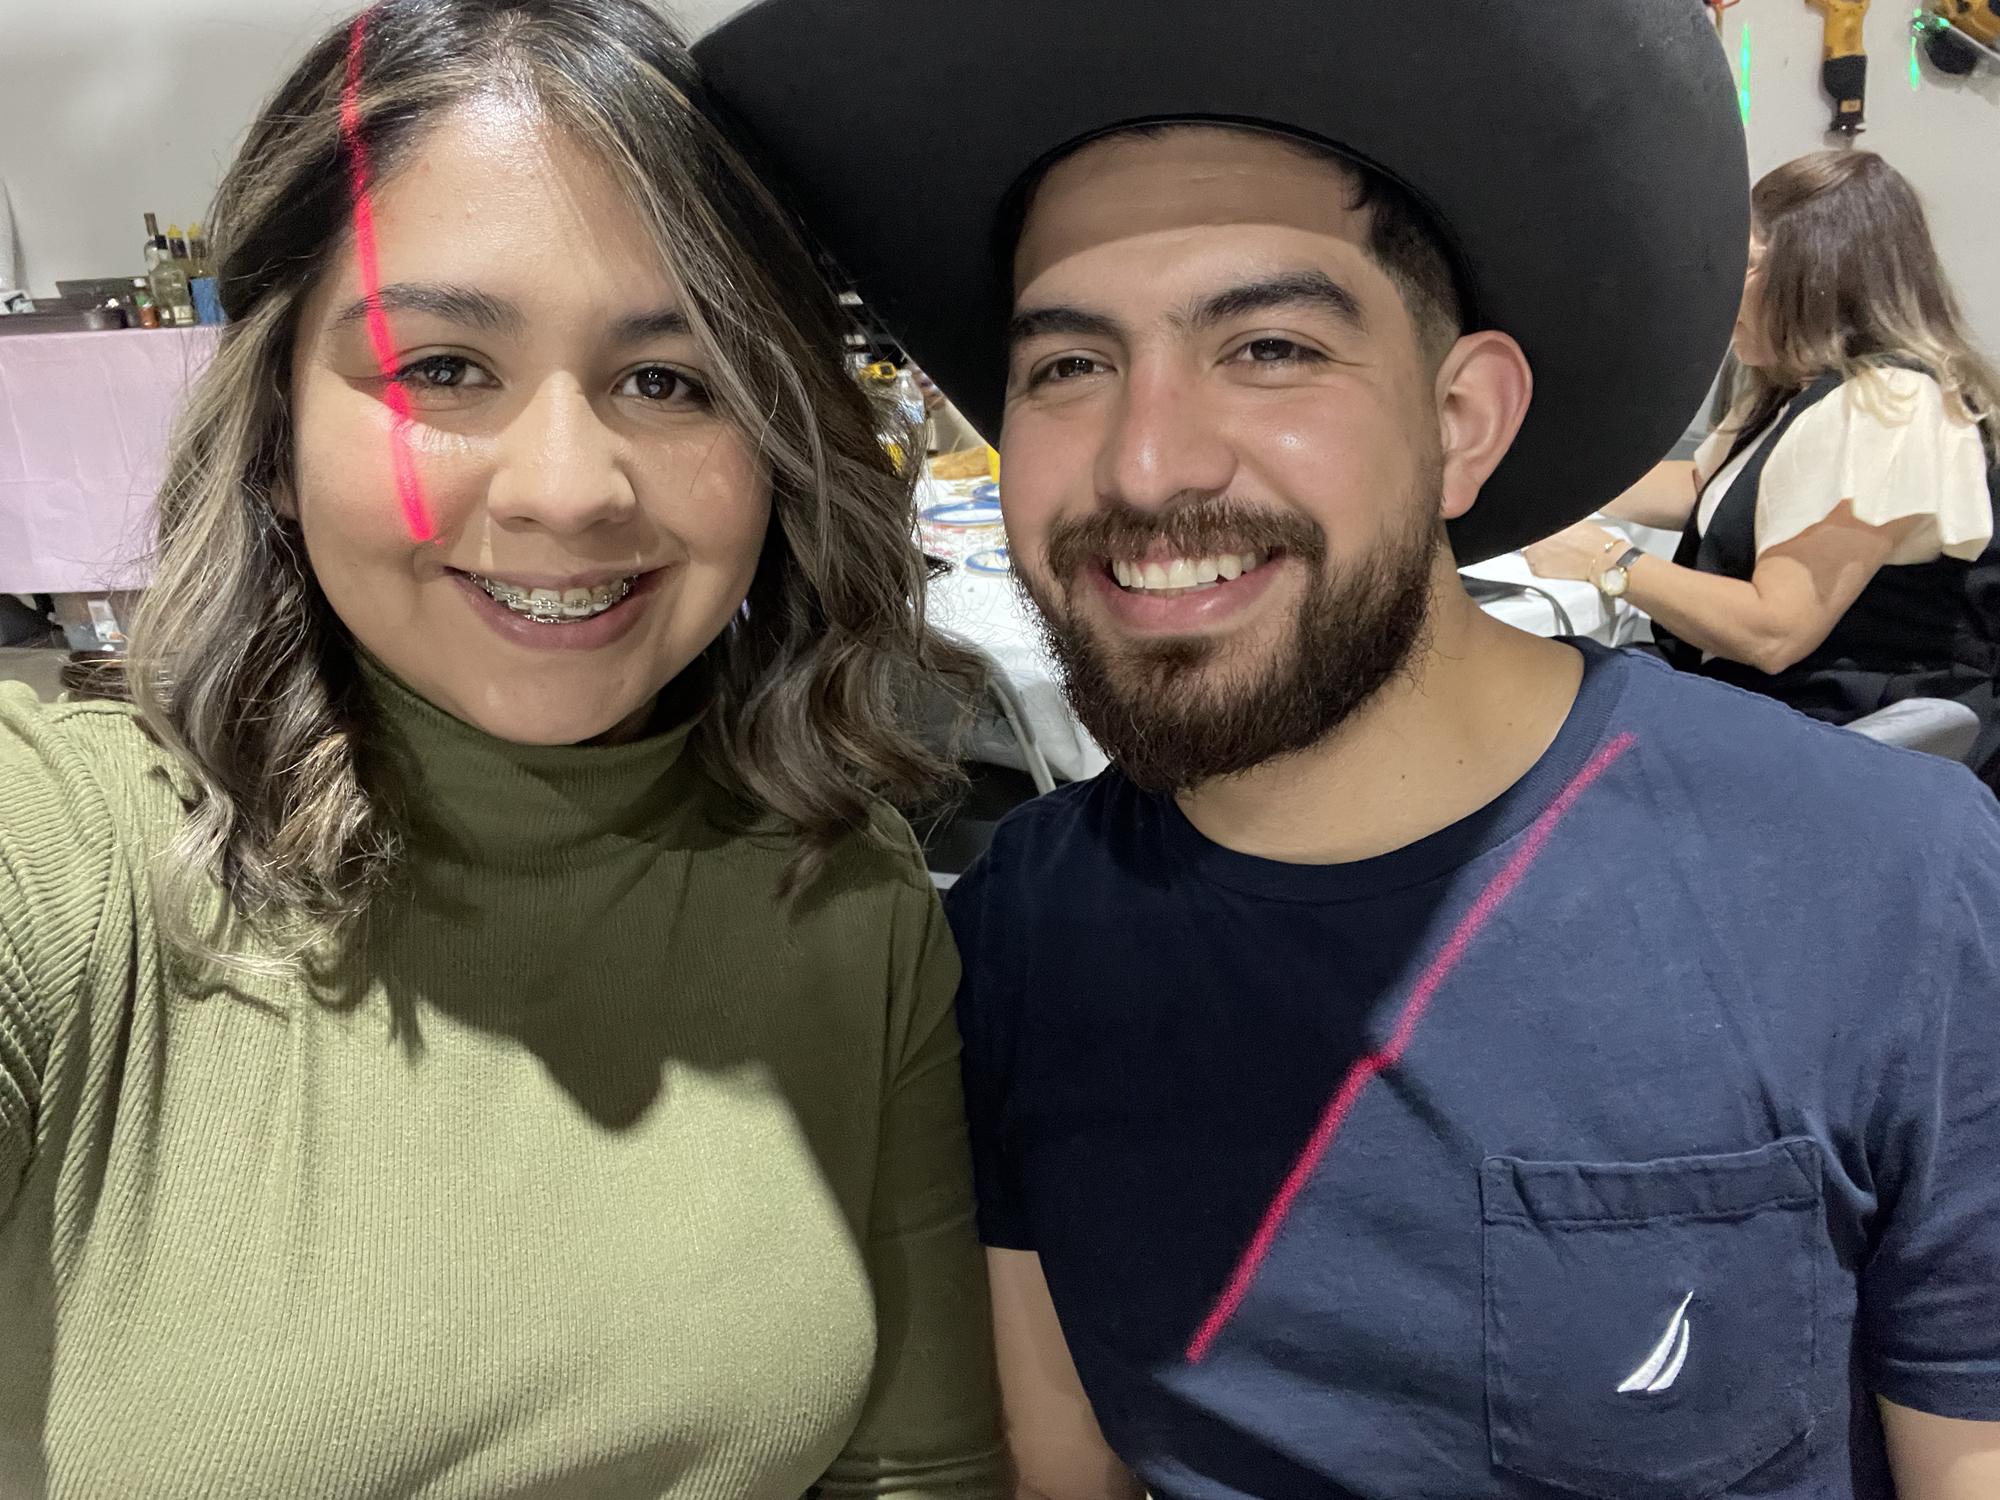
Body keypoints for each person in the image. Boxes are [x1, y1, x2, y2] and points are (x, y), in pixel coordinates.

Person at [697, 2, 2000, 1497]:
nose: (1146, 463)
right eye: (1067, 367)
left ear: (1460, 421)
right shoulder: (1020, 939)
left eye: (1268, 347)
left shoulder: (1879, 885)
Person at [0, 1, 1003, 1493]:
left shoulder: (845, 895)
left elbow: (917, 1471)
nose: (567, 490)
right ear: (273, 434)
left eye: (668, 380)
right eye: (444, 368)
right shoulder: (60, 858)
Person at [1525, 150, 2000, 775]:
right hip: (1764, 700)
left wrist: (1606, 561)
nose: (1724, 289)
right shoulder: (1796, 393)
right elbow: (1708, 489)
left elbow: (1774, 631)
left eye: (1747, 265)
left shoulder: (1889, 408)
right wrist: (1543, 488)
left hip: (1835, 732)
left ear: (1817, 275)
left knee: (1538, 705)